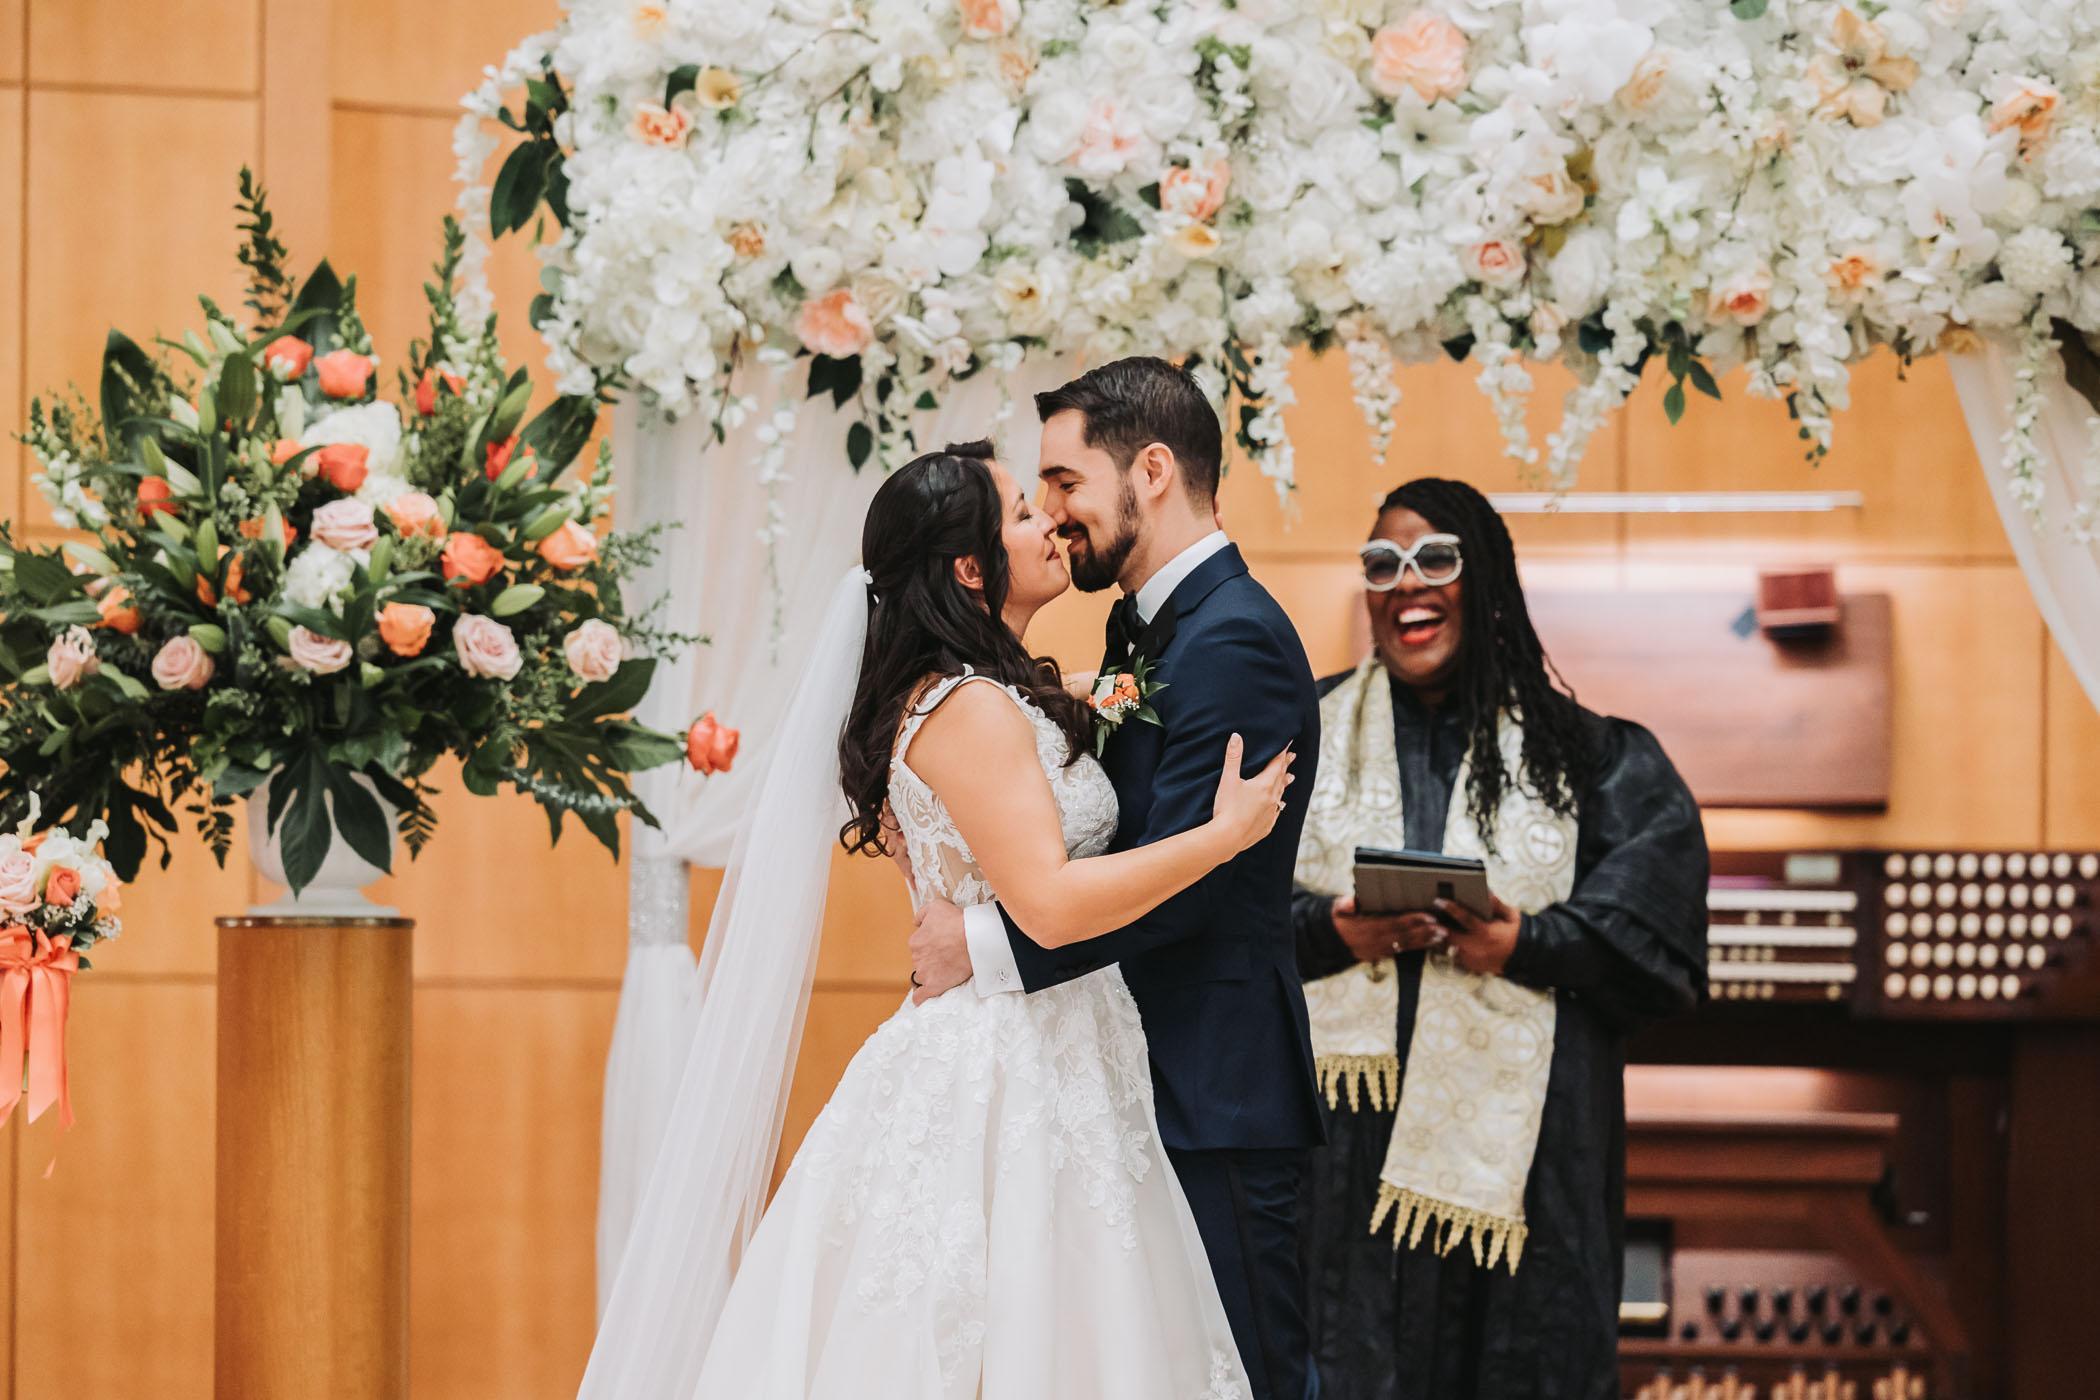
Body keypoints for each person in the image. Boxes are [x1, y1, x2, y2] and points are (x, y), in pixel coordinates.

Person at [578, 438, 1294, 1398]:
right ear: (970, 568)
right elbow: (1050, 904)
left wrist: (1156, 680)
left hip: (1065, 1042)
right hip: (1008, 1061)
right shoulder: (971, 710)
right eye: (1024, 513)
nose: (1050, 524)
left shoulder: (1003, 693)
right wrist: (1222, 837)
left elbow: (1096, 714)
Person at [910, 358, 1327, 1400]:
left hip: (1212, 1088)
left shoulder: (1234, 638)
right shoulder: (1144, 628)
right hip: (1122, 1078)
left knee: (1249, 1377)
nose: (1053, 514)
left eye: (1064, 482)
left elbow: (1188, 877)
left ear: (1150, 470)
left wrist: (984, 944)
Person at [1289, 477, 1710, 1400]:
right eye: (1382, 565)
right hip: (1343, 1167)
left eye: (1435, 559)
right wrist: (1331, 928)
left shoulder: (1588, 758)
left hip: (1529, 1178)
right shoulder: (1301, 740)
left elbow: (1654, 937)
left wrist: (1526, 946)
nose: (1407, 583)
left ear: (1485, 580)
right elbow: (1217, 914)